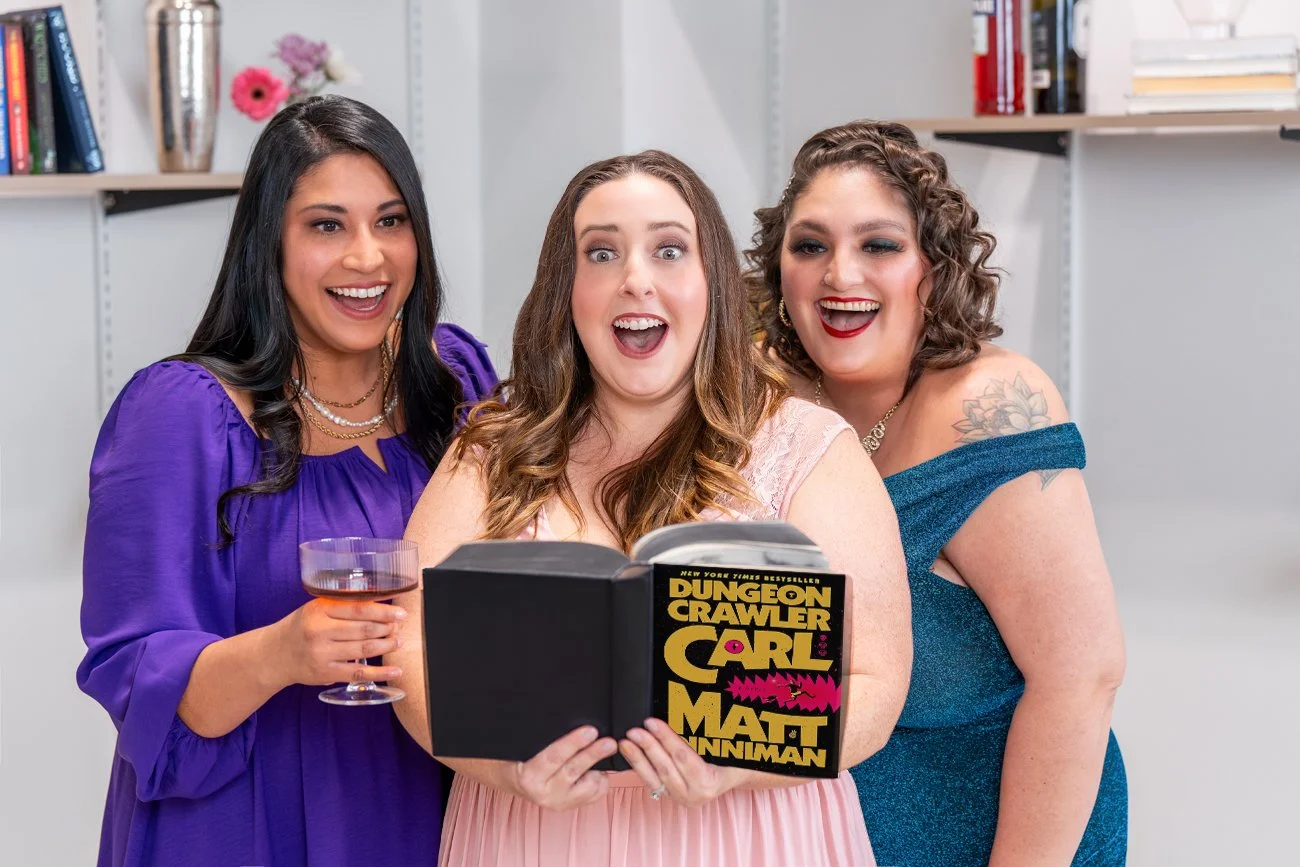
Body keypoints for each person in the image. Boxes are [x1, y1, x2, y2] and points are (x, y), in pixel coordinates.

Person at [388, 150, 912, 866]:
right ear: (566, 290)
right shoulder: (489, 451)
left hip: (748, 838)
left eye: (669, 250)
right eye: (601, 253)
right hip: (530, 835)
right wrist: (502, 769)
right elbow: (411, 651)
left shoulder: (811, 449)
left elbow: (876, 684)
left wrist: (739, 767)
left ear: (712, 283)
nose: (635, 278)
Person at [75, 95, 497, 867]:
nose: (367, 257)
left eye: (392, 220)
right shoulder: (180, 415)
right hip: (246, 827)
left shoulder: (456, 382)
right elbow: (137, 680)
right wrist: (283, 652)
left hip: (433, 811)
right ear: (269, 241)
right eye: (327, 225)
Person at [746, 119, 1128, 866]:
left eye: (879, 245)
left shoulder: (991, 406)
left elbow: (1081, 679)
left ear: (935, 266)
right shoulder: (760, 395)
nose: (839, 275)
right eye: (811, 246)